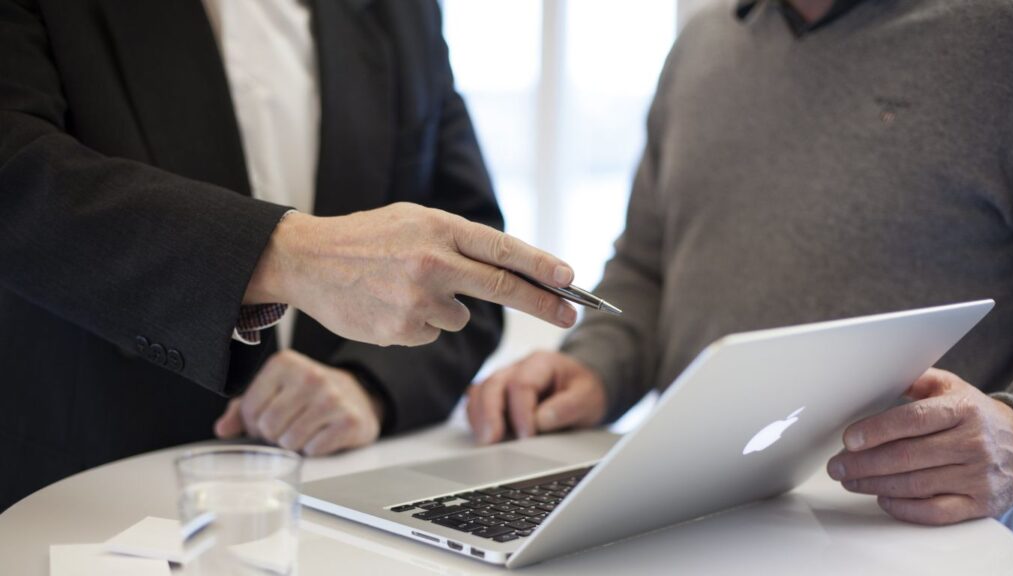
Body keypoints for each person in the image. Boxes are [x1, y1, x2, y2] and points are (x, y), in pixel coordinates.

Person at [0, 0, 579, 511]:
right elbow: (17, 173)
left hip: (330, 510)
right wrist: (289, 255)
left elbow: (466, 267)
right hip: (75, 499)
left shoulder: (402, 10)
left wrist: (368, 386)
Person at [467, 0, 1013, 528]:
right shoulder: (701, 47)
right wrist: (594, 368)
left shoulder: (1003, 38)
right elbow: (646, 268)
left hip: (912, 536)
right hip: (683, 517)